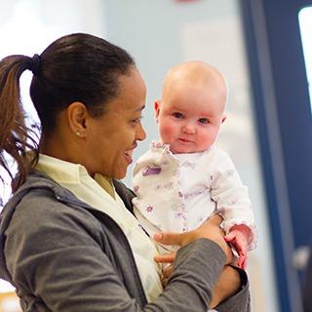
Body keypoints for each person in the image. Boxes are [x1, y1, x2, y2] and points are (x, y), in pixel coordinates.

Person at [0, 33, 250, 311]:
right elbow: (199, 275)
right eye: (134, 119)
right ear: (80, 119)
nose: (143, 134)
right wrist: (208, 251)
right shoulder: (42, 222)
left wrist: (230, 280)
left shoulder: (112, 194)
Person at [132, 61, 257, 270]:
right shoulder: (146, 162)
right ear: (157, 110)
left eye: (203, 121)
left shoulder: (215, 161)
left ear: (220, 123)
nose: (189, 128)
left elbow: (236, 199)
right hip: (151, 256)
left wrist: (240, 231)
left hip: (200, 257)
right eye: (178, 115)